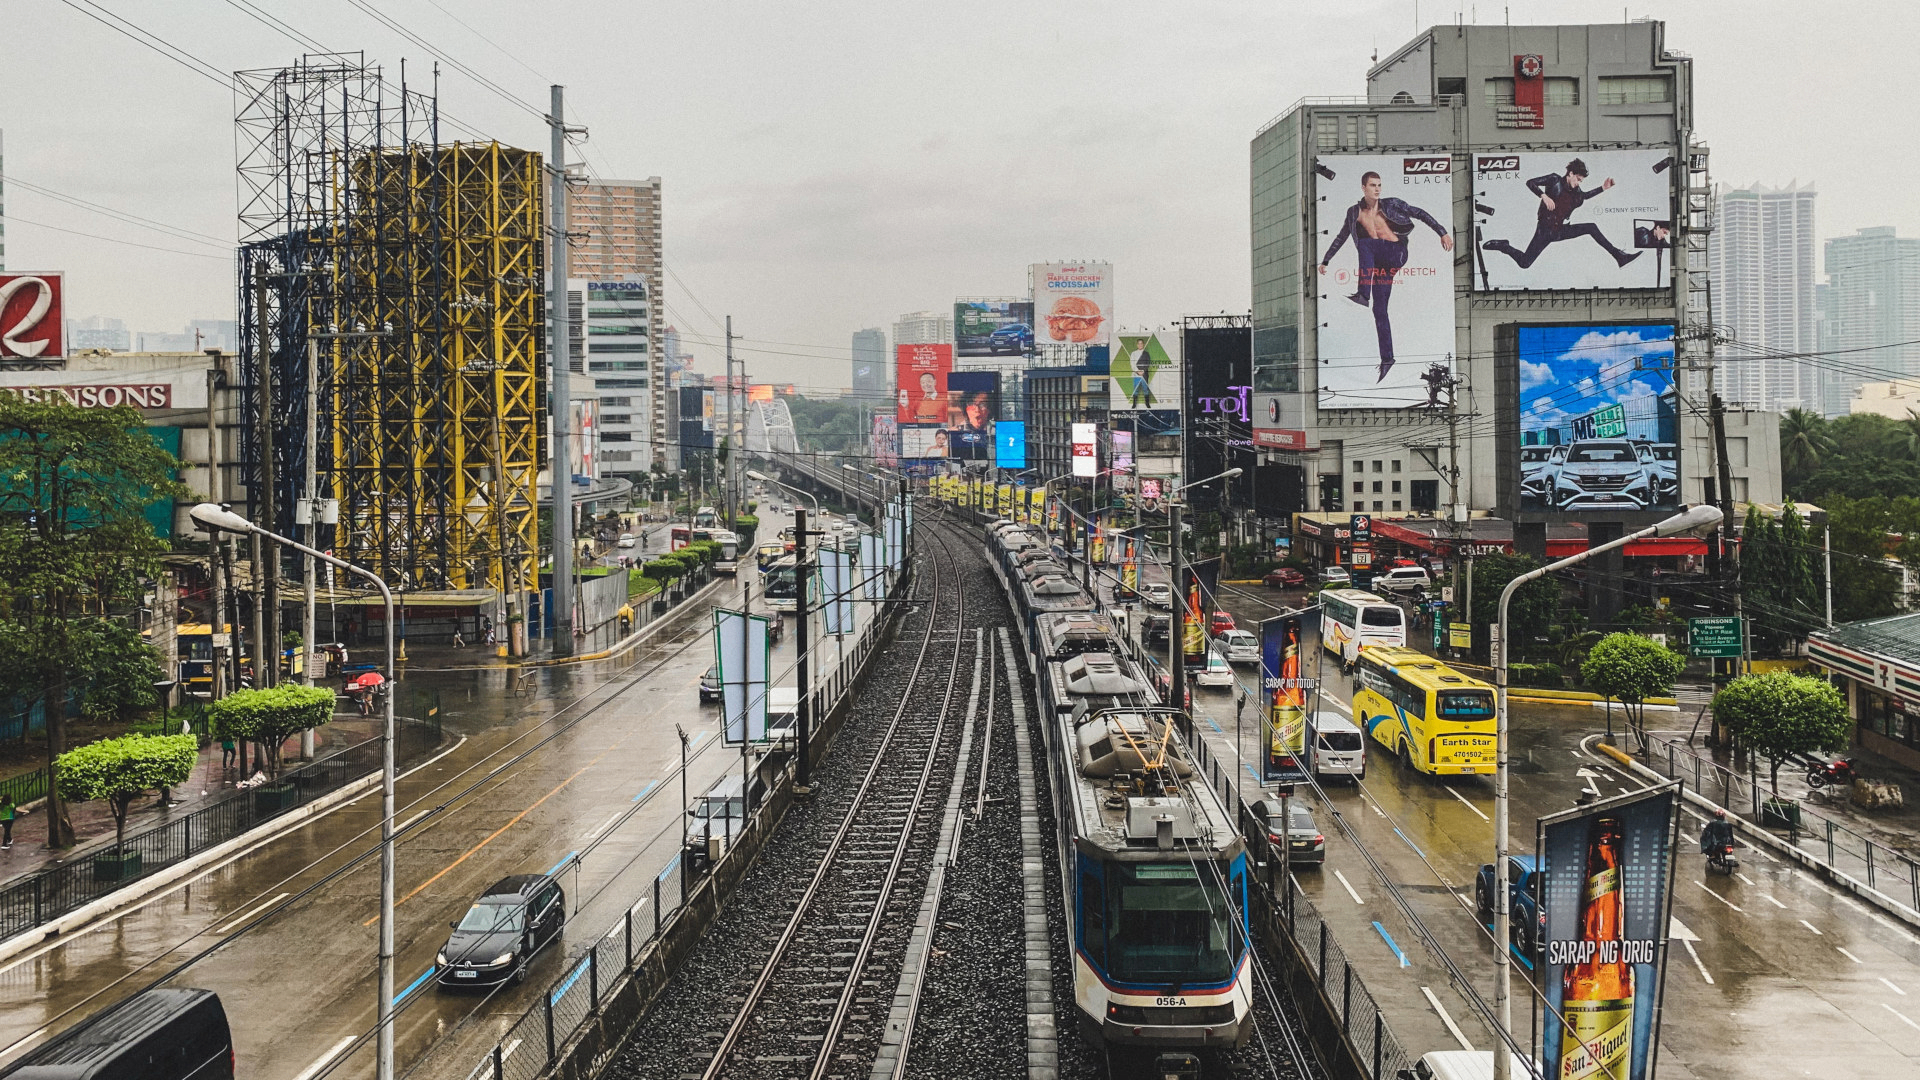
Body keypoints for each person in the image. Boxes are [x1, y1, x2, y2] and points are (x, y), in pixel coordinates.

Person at [1318, 170, 1453, 383]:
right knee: (1379, 310)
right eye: (1373, 185)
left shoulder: (1392, 204)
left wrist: (1442, 232)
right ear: (1363, 188)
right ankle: (1387, 358)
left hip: (1396, 253)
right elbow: (1342, 236)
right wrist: (1326, 260)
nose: (1377, 189)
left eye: (1379, 185)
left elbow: (1420, 213)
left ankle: (1363, 293)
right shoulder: (1354, 212)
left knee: (1366, 244)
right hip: (1379, 264)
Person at [1482, 158, 1642, 271]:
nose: (1578, 183)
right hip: (1545, 231)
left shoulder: (1577, 193)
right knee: (1525, 263)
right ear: (1570, 173)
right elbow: (1530, 182)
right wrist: (1543, 196)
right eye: (1578, 179)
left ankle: (1619, 256)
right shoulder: (1554, 180)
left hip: (1561, 231)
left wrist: (1603, 188)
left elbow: (1584, 196)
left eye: (1581, 181)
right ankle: (1504, 246)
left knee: (1591, 227)